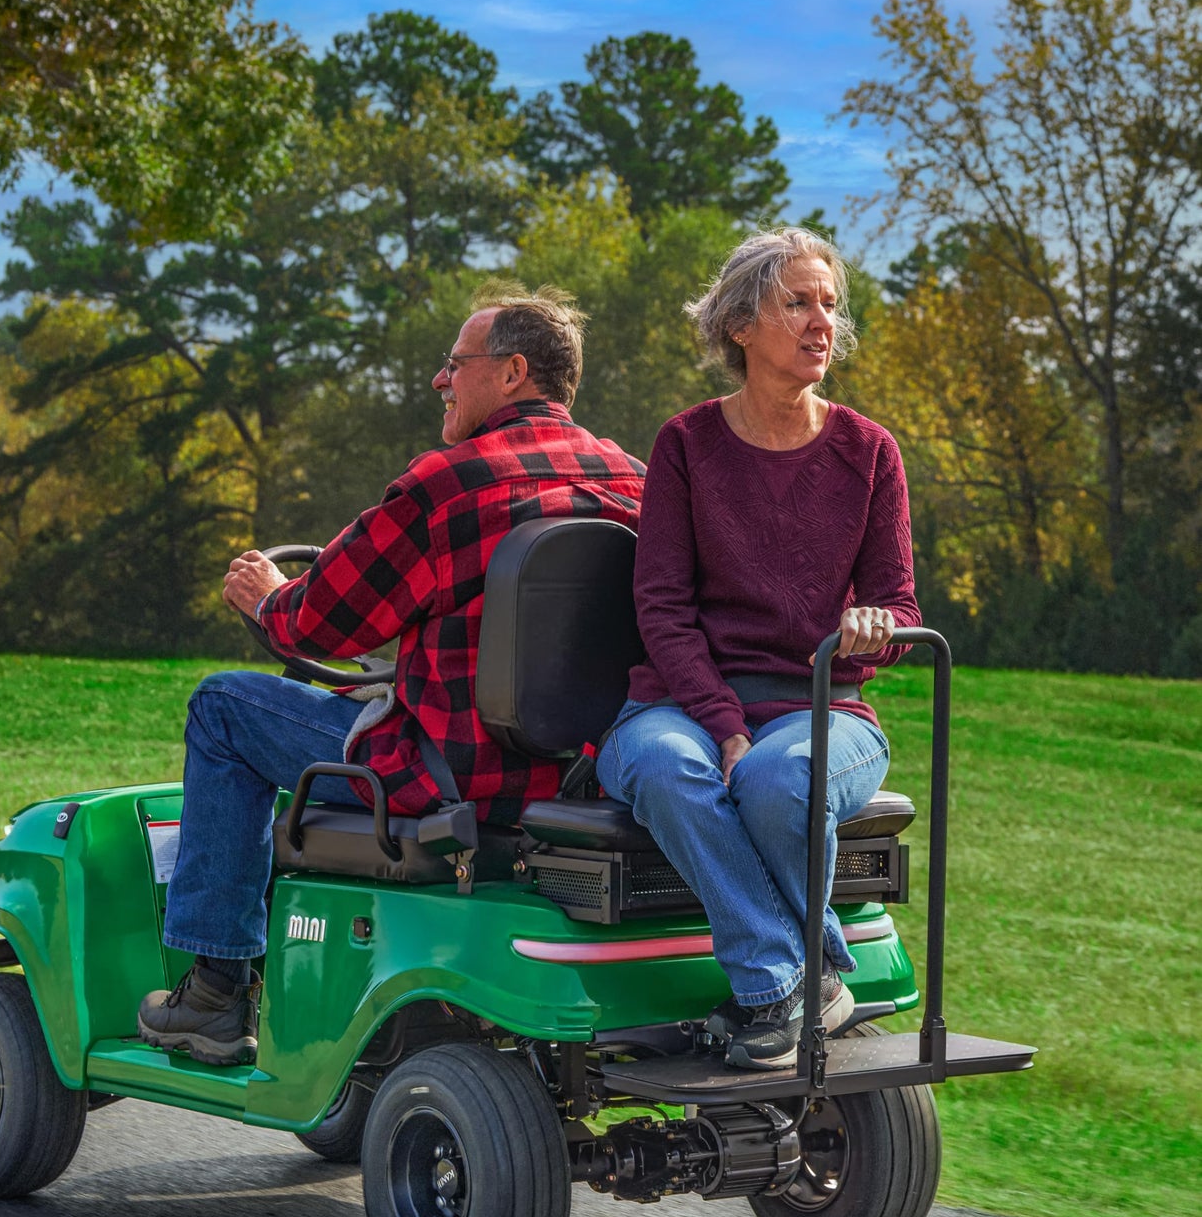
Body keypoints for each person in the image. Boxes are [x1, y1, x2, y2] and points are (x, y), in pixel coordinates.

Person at [139, 283, 646, 1064]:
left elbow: (321, 621)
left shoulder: (447, 485)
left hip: (440, 778)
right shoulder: (632, 481)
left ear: (512, 372)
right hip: (577, 782)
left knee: (222, 706)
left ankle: (214, 989)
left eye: (454, 364)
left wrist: (269, 599)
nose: (440, 380)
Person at [596, 227, 921, 1071]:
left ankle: (775, 986)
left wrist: (874, 628)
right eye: (798, 302)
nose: (822, 322)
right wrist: (721, 721)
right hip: (677, 700)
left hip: (822, 704)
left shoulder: (868, 451)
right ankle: (793, 979)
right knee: (668, 766)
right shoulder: (685, 445)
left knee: (780, 779)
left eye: (828, 305)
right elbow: (659, 606)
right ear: (741, 325)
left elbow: (897, 603)